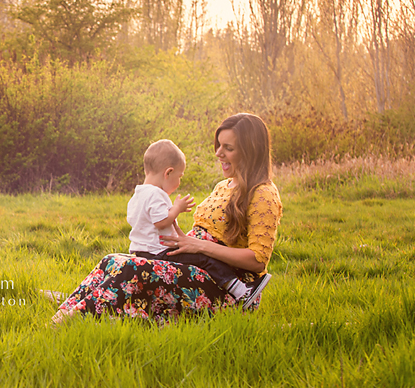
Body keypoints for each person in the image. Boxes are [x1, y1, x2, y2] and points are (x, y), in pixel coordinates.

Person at [51, 113, 282, 325]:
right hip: (194, 265)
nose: (218, 153)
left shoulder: (262, 193)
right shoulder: (223, 186)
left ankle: (70, 321)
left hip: (229, 287)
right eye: (219, 145)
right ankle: (69, 308)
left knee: (133, 270)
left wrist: (199, 246)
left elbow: (258, 260)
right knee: (112, 260)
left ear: (250, 151)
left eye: (228, 148)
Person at [127, 138, 269, 308]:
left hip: (144, 251)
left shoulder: (138, 195)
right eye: (179, 176)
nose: (179, 182)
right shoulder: (155, 194)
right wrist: (176, 209)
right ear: (168, 173)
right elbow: (161, 222)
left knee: (199, 259)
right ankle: (240, 290)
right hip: (160, 252)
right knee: (204, 259)